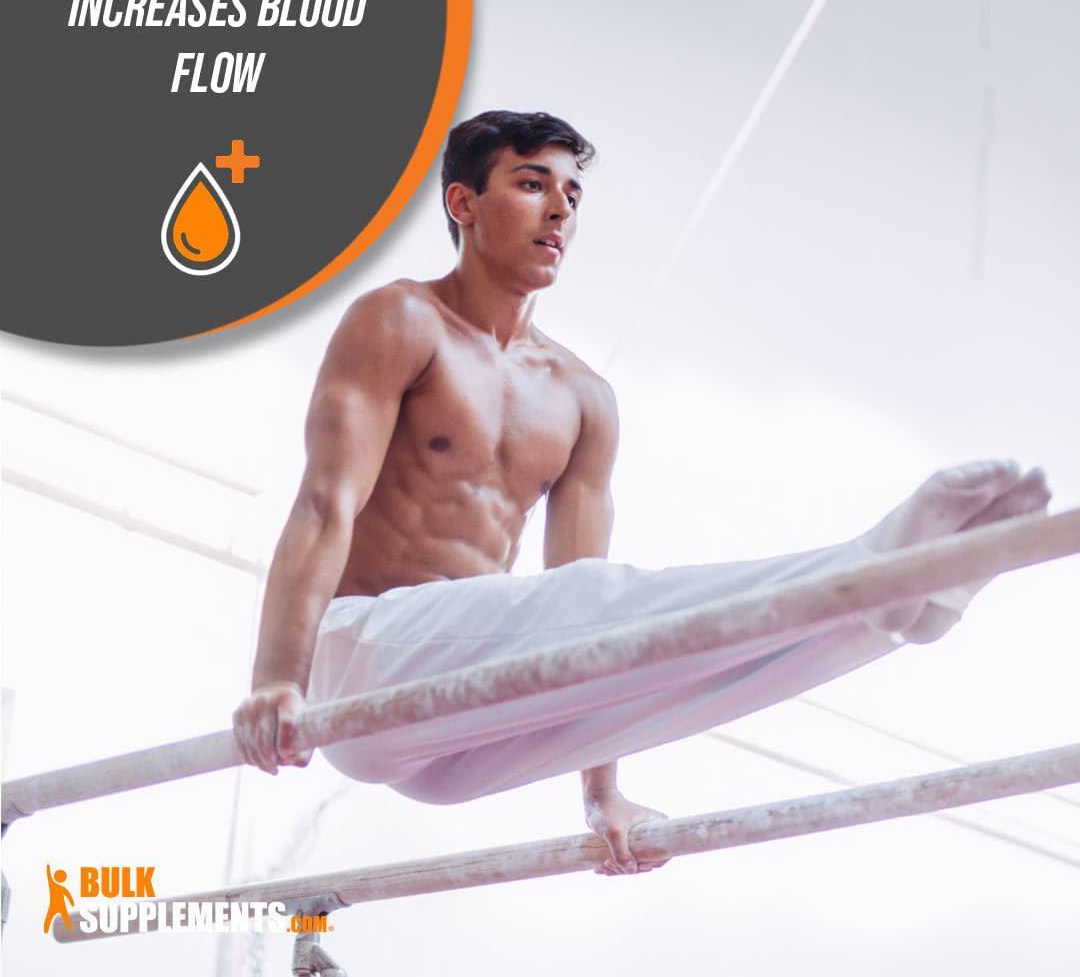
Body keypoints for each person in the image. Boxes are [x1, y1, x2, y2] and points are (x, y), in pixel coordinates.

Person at [233, 110, 1051, 876]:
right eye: (532, 184)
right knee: (602, 607)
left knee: (658, 673)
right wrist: (277, 681)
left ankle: (885, 609)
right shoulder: (401, 321)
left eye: (572, 193)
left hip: (457, 739)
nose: (561, 209)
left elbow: (586, 623)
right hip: (364, 665)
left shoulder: (583, 398)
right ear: (464, 203)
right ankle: (874, 565)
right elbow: (323, 506)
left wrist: (602, 795)